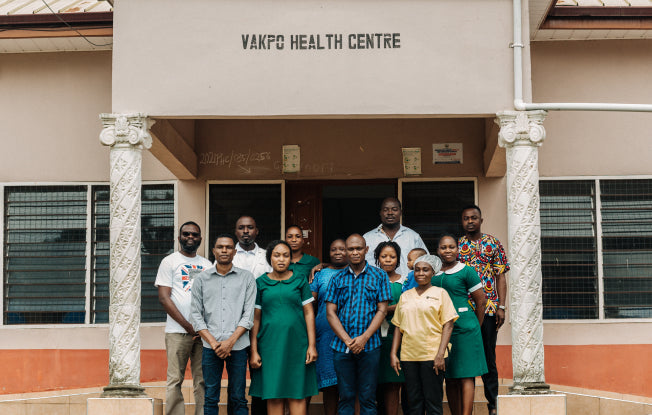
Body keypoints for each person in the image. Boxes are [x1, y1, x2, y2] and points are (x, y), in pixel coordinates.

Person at [249, 240, 319, 415]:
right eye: (277, 255)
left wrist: (311, 345)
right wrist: (254, 350)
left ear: (290, 259)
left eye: (285, 255)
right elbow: (255, 319)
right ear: (270, 258)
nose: (281, 259)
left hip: (298, 346)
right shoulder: (260, 283)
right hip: (269, 347)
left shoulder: (299, 280)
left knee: (297, 393)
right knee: (274, 394)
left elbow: (309, 313)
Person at [325, 234, 392, 415]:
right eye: (351, 249)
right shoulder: (337, 278)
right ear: (346, 251)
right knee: (345, 396)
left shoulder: (379, 276)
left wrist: (364, 338)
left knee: (368, 398)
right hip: (341, 347)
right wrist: (348, 340)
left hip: (370, 346)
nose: (355, 252)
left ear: (366, 250)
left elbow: (382, 310)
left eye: (358, 249)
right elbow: (330, 312)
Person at [190, 234, 256, 415]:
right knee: (211, 396)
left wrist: (230, 342)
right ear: (213, 251)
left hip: (239, 346)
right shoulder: (201, 279)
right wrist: (213, 343)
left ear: (235, 252)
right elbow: (195, 315)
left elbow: (248, 315)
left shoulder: (247, 278)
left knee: (238, 397)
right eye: (220, 247)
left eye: (228, 247)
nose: (224, 250)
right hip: (210, 347)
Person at [155, 221, 212, 415]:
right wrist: (188, 326)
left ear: (200, 239)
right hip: (178, 332)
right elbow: (164, 298)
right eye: (186, 234)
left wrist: (202, 328)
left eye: (194, 234)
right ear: (179, 237)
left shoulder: (207, 265)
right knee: (175, 380)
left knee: (203, 379)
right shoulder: (169, 261)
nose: (190, 237)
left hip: (204, 334)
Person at [457, 205, 510, 415]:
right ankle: (463, 406)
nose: (470, 221)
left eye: (474, 218)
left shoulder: (492, 243)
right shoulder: (458, 246)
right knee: (464, 355)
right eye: (466, 218)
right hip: (465, 311)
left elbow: (501, 276)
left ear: (481, 219)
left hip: (488, 309)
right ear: (461, 221)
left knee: (488, 357)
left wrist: (501, 307)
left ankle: (493, 405)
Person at [390, 255, 458, 415]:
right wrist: (393, 353)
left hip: (432, 355)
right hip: (409, 356)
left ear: (433, 272)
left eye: (425, 270)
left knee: (433, 402)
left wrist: (441, 354)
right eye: (417, 269)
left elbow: (448, 324)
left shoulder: (440, 293)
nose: (420, 273)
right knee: (414, 402)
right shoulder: (405, 296)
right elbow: (398, 327)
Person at [432, 234, 487, 415]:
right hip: (442, 330)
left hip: (466, 329)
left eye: (451, 247)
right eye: (443, 247)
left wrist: (476, 327)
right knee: (451, 376)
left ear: (457, 249)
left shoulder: (466, 271)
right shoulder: (433, 271)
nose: (447, 250)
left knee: (466, 375)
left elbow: (481, 302)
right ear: (437, 250)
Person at [231, 215, 272, 415]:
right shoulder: (227, 255)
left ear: (257, 231)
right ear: (235, 231)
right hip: (234, 324)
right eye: (241, 228)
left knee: (260, 372)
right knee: (236, 376)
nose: (246, 231)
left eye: (250, 227)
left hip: (262, 323)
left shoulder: (267, 256)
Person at [310, 239, 348, 415]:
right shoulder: (321, 274)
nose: (338, 252)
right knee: (330, 383)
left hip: (351, 333)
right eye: (334, 249)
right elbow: (310, 303)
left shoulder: (357, 272)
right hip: (325, 335)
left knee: (349, 382)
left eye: (342, 249)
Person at [374, 242, 405, 415]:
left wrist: (384, 309)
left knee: (393, 382)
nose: (388, 260)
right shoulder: (372, 278)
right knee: (373, 381)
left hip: (397, 337)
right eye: (384, 256)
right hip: (373, 336)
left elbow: (407, 305)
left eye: (392, 257)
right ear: (377, 258)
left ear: (398, 259)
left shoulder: (405, 281)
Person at [363, 197, 428, 277]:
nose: (390, 213)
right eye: (386, 209)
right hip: (376, 287)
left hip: (407, 287)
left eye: (394, 209)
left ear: (400, 212)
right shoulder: (367, 238)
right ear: (380, 212)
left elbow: (427, 263)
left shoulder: (413, 237)